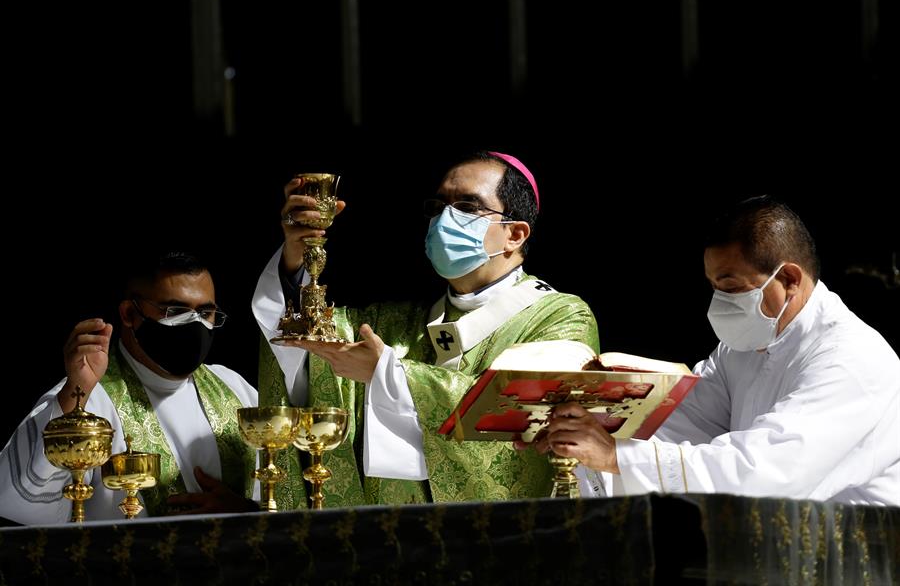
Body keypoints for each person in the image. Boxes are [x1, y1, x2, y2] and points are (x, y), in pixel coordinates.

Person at [253, 151, 600, 508]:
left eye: (467, 206)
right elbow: (303, 339)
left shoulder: (560, 316)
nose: (445, 218)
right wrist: (298, 254)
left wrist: (386, 373)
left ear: (514, 234)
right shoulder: (395, 326)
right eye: (439, 205)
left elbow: (519, 410)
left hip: (502, 530)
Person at [533, 196, 900, 505]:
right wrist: (583, 428)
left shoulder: (852, 359)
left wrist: (616, 455)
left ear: (789, 279)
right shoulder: (741, 348)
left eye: (732, 288)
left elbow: (763, 473)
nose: (720, 303)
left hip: (852, 550)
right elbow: (684, 425)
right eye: (713, 287)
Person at [0, 252, 260, 524]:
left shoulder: (232, 387)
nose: (195, 324)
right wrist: (76, 391)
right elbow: (21, 498)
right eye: (176, 312)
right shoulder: (90, 397)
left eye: (206, 313)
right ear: (129, 314)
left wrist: (246, 511)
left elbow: (282, 487)